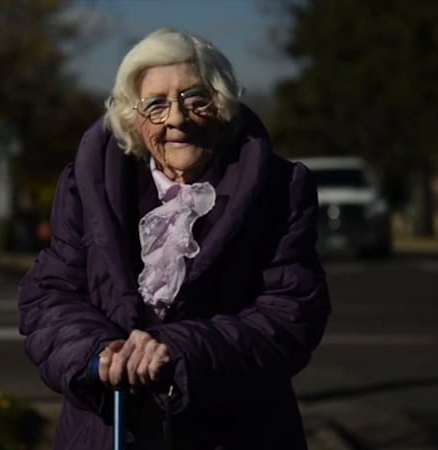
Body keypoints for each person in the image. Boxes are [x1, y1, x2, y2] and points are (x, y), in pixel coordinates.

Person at [18, 28, 331, 450]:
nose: (177, 119)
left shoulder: (280, 188)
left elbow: (290, 313)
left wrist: (177, 350)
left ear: (223, 105)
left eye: (195, 99)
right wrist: (99, 352)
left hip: (237, 433)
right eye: (156, 105)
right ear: (133, 119)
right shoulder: (84, 186)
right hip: (107, 432)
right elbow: (51, 295)